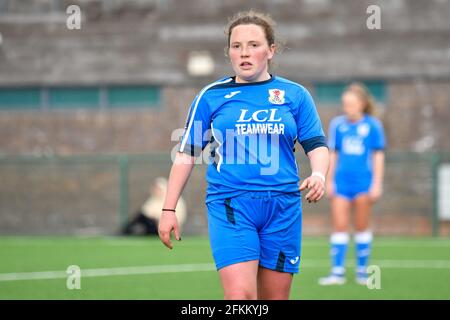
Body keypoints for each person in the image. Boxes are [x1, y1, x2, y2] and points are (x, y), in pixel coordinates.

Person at [158, 10, 329, 300]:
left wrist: (319, 174)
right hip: (231, 204)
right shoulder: (210, 96)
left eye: (254, 45)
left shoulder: (295, 95)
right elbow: (186, 154)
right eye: (236, 46)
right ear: (229, 52)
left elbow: (317, 146)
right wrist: (168, 209)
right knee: (241, 297)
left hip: (282, 207)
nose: (244, 53)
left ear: (271, 50)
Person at [319, 83, 386, 286]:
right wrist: (328, 181)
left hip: (363, 184)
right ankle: (337, 273)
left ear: (362, 104)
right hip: (341, 183)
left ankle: (362, 272)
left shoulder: (373, 125)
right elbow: (333, 153)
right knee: (339, 226)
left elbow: (378, 156)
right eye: (344, 104)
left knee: (361, 226)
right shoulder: (337, 124)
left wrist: (376, 184)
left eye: (351, 104)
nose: (347, 107)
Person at [122, 177, 186, 235]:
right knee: (141, 217)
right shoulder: (153, 200)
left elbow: (179, 217)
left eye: (158, 189)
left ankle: (125, 232)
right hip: (154, 226)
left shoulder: (175, 200)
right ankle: (125, 231)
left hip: (167, 228)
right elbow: (144, 213)